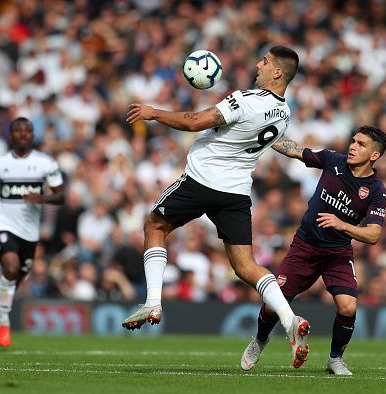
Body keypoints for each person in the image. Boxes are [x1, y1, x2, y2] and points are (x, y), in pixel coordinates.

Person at [123, 45, 310, 368]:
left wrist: (155, 113)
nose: (257, 64)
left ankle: (153, 302)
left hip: (203, 179)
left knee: (154, 225)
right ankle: (290, 319)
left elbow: (195, 121)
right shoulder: (284, 112)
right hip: (236, 191)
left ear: (277, 72)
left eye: (264, 61)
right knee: (246, 267)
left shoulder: (248, 100)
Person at [240, 126, 386, 376]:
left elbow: (374, 234)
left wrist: (342, 224)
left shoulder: (376, 190)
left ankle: (335, 359)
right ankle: (259, 340)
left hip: (337, 253)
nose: (352, 146)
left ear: (374, 155)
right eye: (353, 141)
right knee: (271, 304)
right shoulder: (333, 160)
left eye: (361, 144)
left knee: (348, 307)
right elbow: (296, 150)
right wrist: (262, 135)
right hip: (305, 247)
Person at [0, 117, 64, 350]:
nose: (22, 133)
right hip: (3, 225)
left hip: (29, 233)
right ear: (10, 135)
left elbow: (60, 195)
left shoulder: (45, 163)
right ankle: (4, 323)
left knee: (12, 284)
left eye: (26, 130)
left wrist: (43, 198)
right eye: (17, 130)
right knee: (9, 268)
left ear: (32, 135)